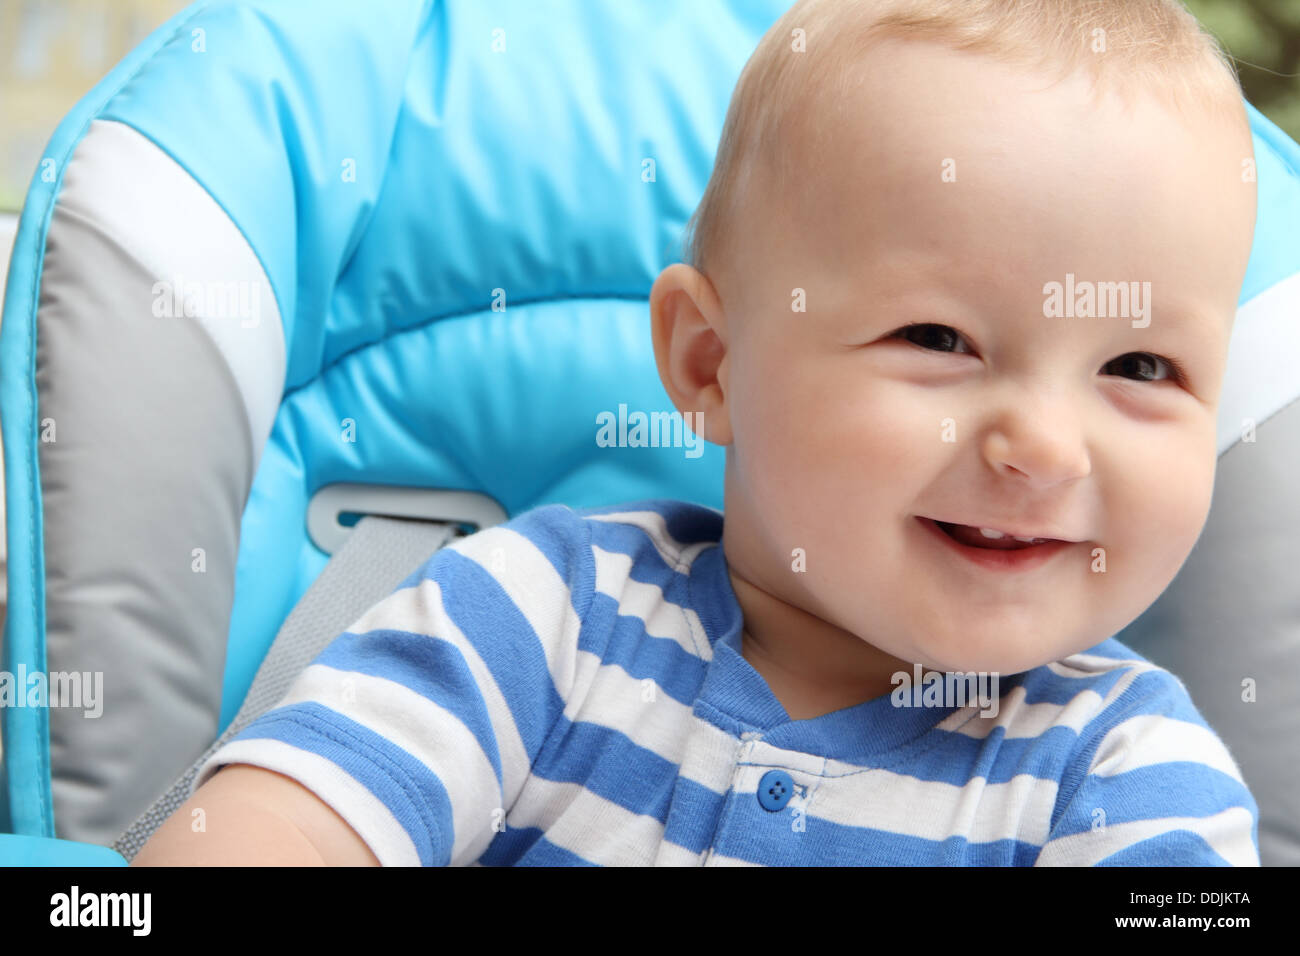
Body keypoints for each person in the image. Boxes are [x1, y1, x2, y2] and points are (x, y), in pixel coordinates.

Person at [133, 0, 1260, 866]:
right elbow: (272, 831)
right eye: (940, 337)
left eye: (1140, 366)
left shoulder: (1132, 772)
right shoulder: (540, 616)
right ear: (710, 362)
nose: (1046, 448)